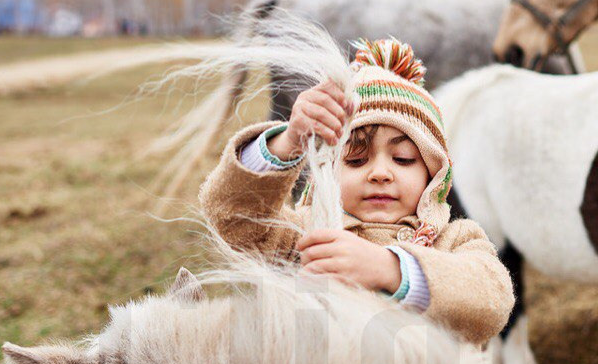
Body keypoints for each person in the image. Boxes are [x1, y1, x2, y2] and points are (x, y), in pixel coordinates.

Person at [199, 38, 514, 345]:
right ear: (327, 170)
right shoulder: (305, 237)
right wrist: (289, 141)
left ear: (433, 175)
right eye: (355, 159)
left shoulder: (455, 240)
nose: (379, 173)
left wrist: (390, 269)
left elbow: (492, 299)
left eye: (403, 159)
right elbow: (233, 217)